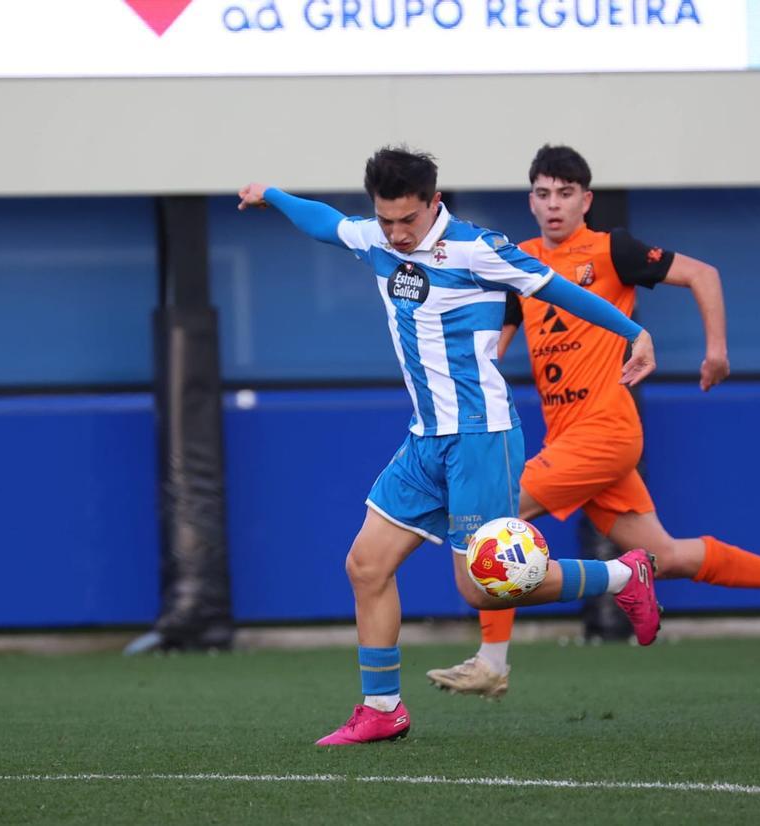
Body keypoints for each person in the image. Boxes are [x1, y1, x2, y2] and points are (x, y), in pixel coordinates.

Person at [237, 146, 665, 746]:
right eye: (385, 220)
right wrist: (272, 195)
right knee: (366, 565)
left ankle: (624, 576)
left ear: (433, 203)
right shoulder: (378, 240)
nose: (396, 233)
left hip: (480, 438)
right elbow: (325, 223)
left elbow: (559, 291)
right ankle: (382, 708)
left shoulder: (476, 248)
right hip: (425, 440)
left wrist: (635, 332)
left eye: (407, 220)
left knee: (481, 585)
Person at [426, 145, 760, 700]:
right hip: (570, 440)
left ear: (586, 200)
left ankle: (492, 661)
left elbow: (703, 275)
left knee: (495, 518)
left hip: (609, 432)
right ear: (531, 200)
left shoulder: (612, 249)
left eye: (566, 194)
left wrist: (716, 352)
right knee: (665, 555)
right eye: (543, 194)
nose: (554, 205)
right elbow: (494, 346)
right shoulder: (520, 261)